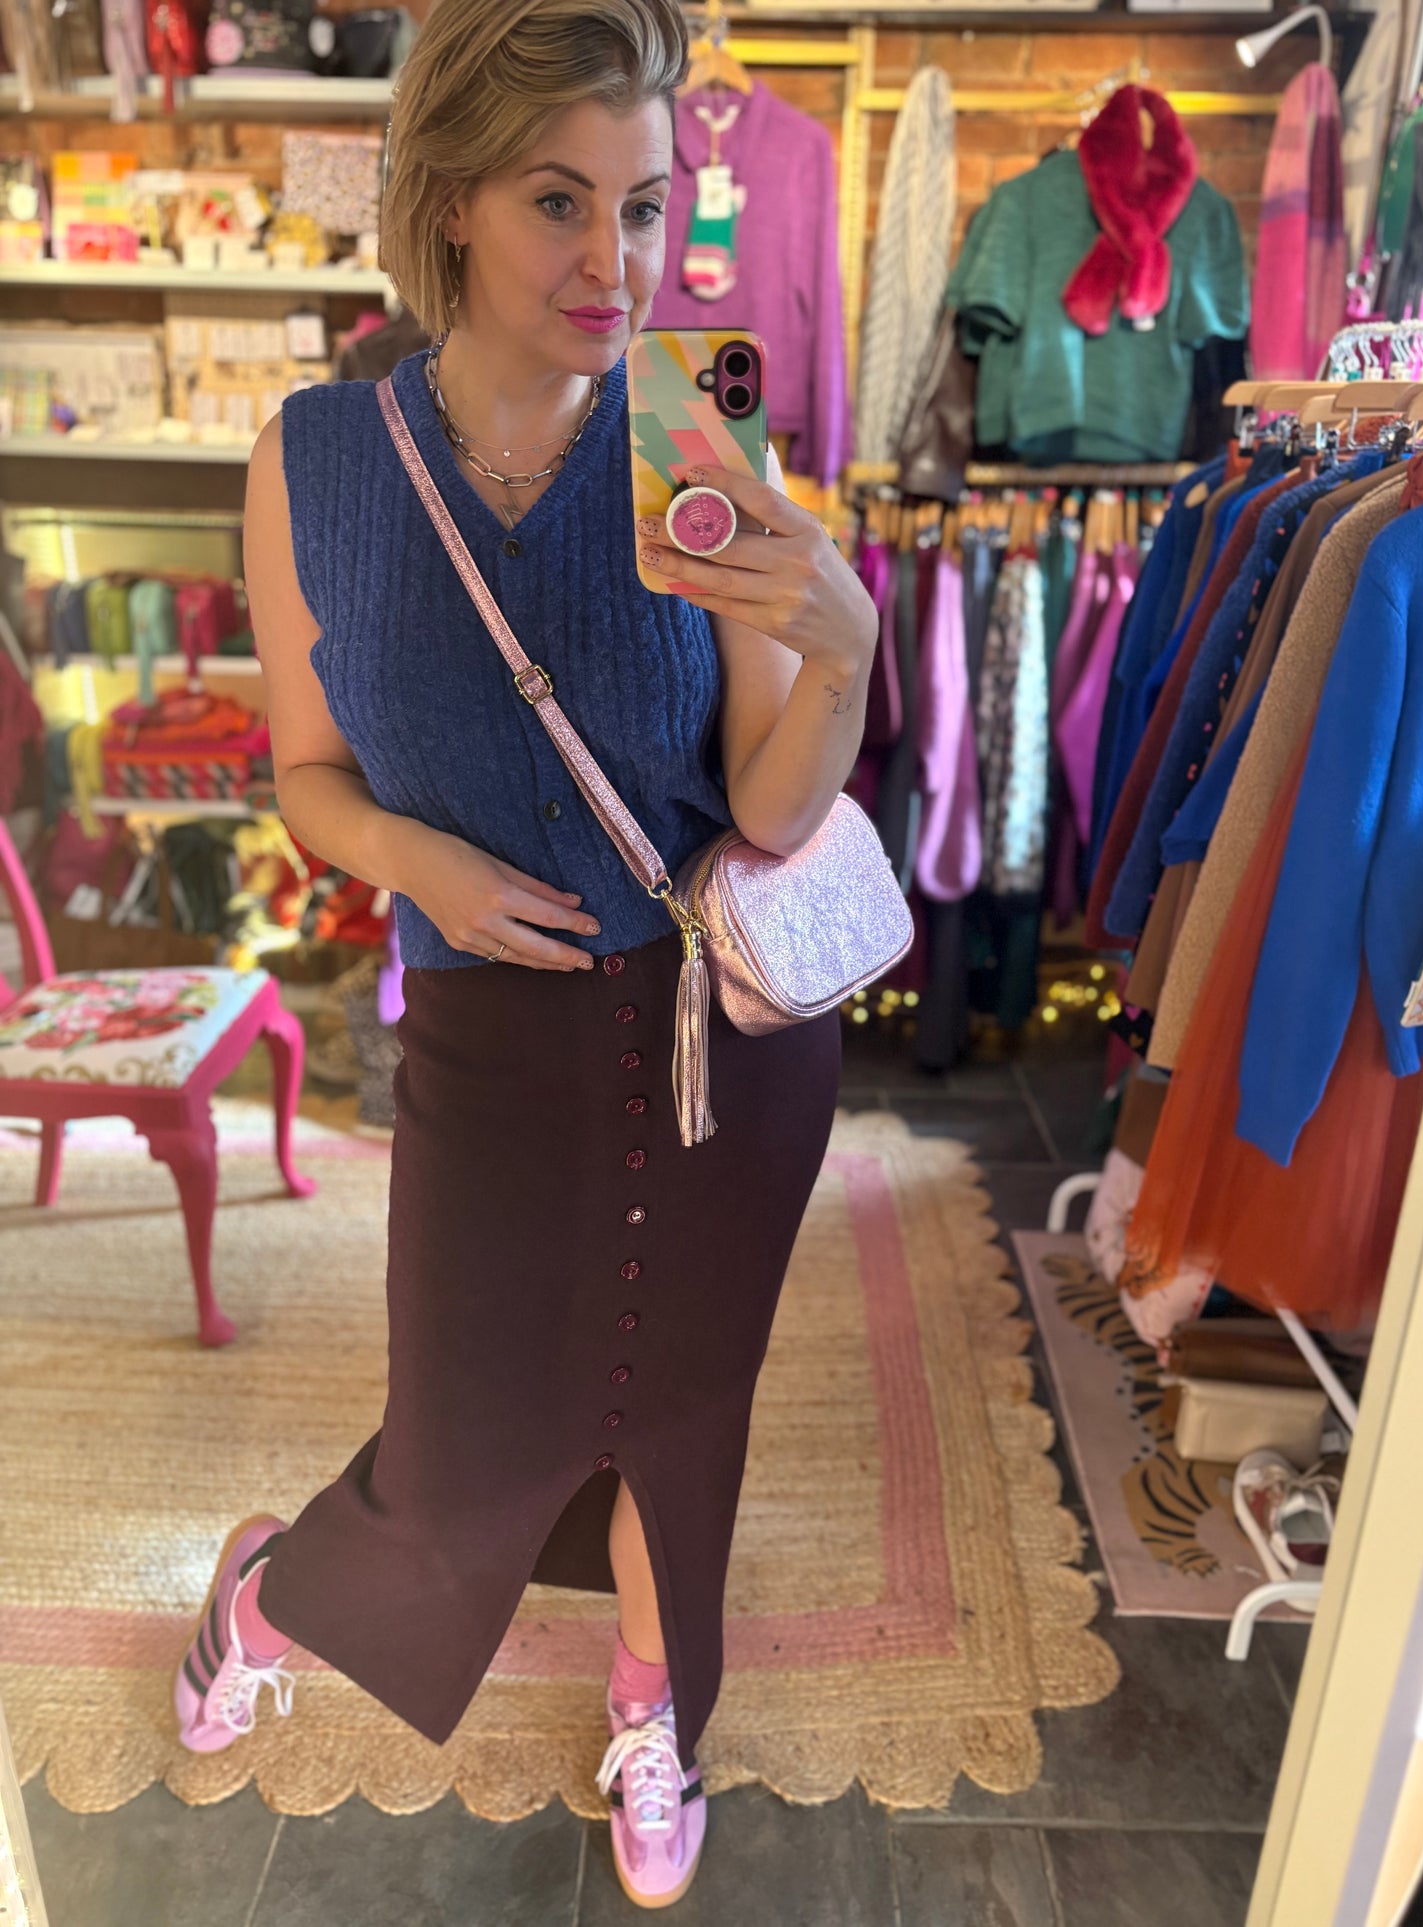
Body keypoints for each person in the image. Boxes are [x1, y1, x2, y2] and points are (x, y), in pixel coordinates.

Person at [170, 0, 877, 1906]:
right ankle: (267, 1595)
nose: (612, 263)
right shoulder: (316, 460)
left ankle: (654, 1708)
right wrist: (421, 864)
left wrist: (843, 650)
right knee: (464, 1446)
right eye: (560, 201)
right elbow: (306, 774)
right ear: (452, 200)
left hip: (718, 1037)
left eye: (643, 209)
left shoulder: (694, 423)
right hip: (488, 1033)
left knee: (679, 1425)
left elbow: (772, 803)